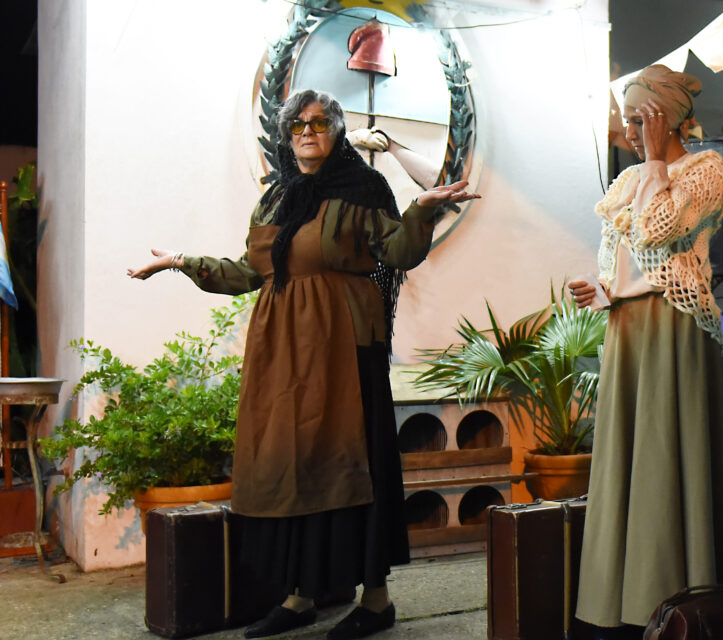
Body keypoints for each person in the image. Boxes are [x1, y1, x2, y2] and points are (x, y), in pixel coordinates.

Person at [127, 89, 478, 640]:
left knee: (352, 467)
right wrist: (179, 262)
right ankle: (300, 595)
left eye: (319, 123)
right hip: (282, 355)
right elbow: (249, 273)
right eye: (297, 126)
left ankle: (377, 599)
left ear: (337, 132)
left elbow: (400, 254)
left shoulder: (364, 189)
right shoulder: (275, 199)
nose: (308, 132)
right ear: (286, 136)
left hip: (345, 350)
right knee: (292, 466)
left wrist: (422, 210)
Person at [567, 64, 723, 637]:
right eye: (627, 119)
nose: (628, 128)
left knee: (671, 455)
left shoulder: (706, 170)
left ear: (663, 115)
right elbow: (621, 258)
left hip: (675, 328)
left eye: (637, 117)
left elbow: (659, 228)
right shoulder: (626, 182)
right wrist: (600, 290)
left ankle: (677, 596)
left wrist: (653, 160)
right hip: (627, 327)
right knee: (627, 456)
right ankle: (618, 602)